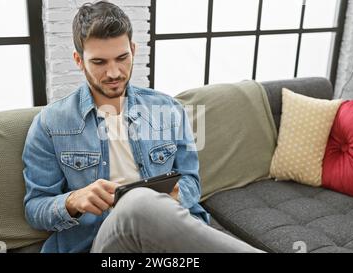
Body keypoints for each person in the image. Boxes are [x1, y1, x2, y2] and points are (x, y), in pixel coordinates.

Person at [22, 0, 263, 253]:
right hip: (99, 245)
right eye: (99, 62)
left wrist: (172, 197)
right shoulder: (51, 123)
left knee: (145, 204)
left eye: (122, 58)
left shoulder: (169, 109)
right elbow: (35, 208)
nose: (114, 72)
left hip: (162, 240)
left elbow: (191, 180)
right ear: (79, 61)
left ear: (133, 50)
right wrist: (72, 201)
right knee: (138, 202)